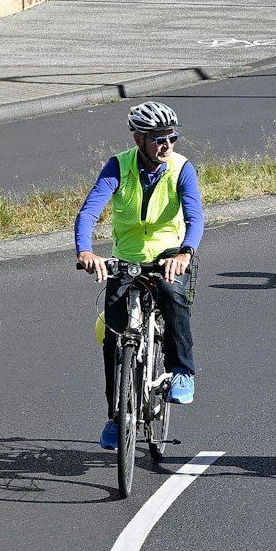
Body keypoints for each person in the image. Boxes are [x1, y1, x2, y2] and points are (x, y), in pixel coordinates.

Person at [76, 102, 202, 446]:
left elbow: (195, 217)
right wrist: (85, 251)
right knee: (114, 339)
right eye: (159, 139)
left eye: (171, 138)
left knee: (174, 296)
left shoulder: (181, 169)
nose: (167, 145)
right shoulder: (118, 166)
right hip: (127, 259)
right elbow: (89, 211)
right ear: (138, 139)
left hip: (167, 256)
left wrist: (184, 253)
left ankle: (182, 372)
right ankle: (117, 418)